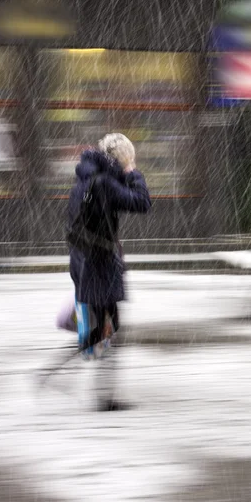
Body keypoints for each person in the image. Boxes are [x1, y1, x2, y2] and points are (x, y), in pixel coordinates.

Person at [68, 133, 151, 411]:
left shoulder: (84, 180)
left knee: (103, 331)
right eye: (128, 158)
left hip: (84, 262)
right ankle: (103, 396)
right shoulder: (104, 183)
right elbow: (142, 202)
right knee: (108, 332)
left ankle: (101, 391)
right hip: (100, 264)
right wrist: (132, 171)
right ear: (121, 158)